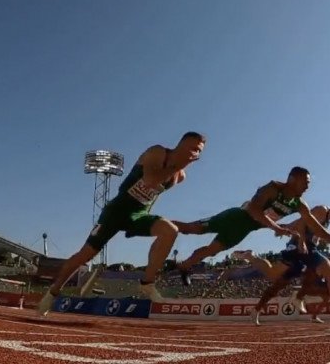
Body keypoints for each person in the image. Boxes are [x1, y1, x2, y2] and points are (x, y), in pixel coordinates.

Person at [36, 132, 206, 316]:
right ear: (181, 144)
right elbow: (150, 181)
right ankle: (52, 292)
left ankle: (147, 283)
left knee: (170, 231)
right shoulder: (157, 152)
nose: (195, 153)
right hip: (116, 211)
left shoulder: (180, 176)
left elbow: (151, 193)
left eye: (198, 151)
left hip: (138, 215)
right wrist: (177, 166)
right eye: (193, 148)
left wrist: (178, 169)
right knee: (85, 255)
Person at [174, 167, 328, 286]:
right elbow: (254, 210)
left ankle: (185, 266)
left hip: (242, 230)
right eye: (305, 182)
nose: (307, 186)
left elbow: (314, 225)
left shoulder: (299, 204)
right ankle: (162, 225)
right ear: (292, 179)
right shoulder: (273, 188)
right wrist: (276, 227)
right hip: (234, 218)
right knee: (191, 228)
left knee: (211, 251)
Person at [233, 202, 330, 325]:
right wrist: (301, 239)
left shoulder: (326, 220)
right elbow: (301, 222)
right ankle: (250, 256)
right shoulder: (321, 210)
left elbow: (320, 234)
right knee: (274, 275)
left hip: (308, 250)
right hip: (299, 247)